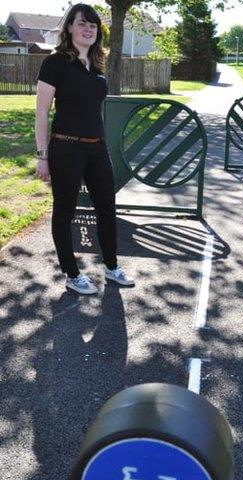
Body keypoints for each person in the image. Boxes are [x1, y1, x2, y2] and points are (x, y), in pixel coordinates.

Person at [35, 3, 134, 295]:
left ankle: (112, 267)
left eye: (93, 25)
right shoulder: (55, 63)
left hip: (97, 149)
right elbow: (41, 112)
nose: (88, 29)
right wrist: (43, 156)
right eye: (82, 23)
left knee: (107, 206)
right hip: (65, 149)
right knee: (64, 210)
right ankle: (71, 272)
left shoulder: (97, 64)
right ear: (69, 28)